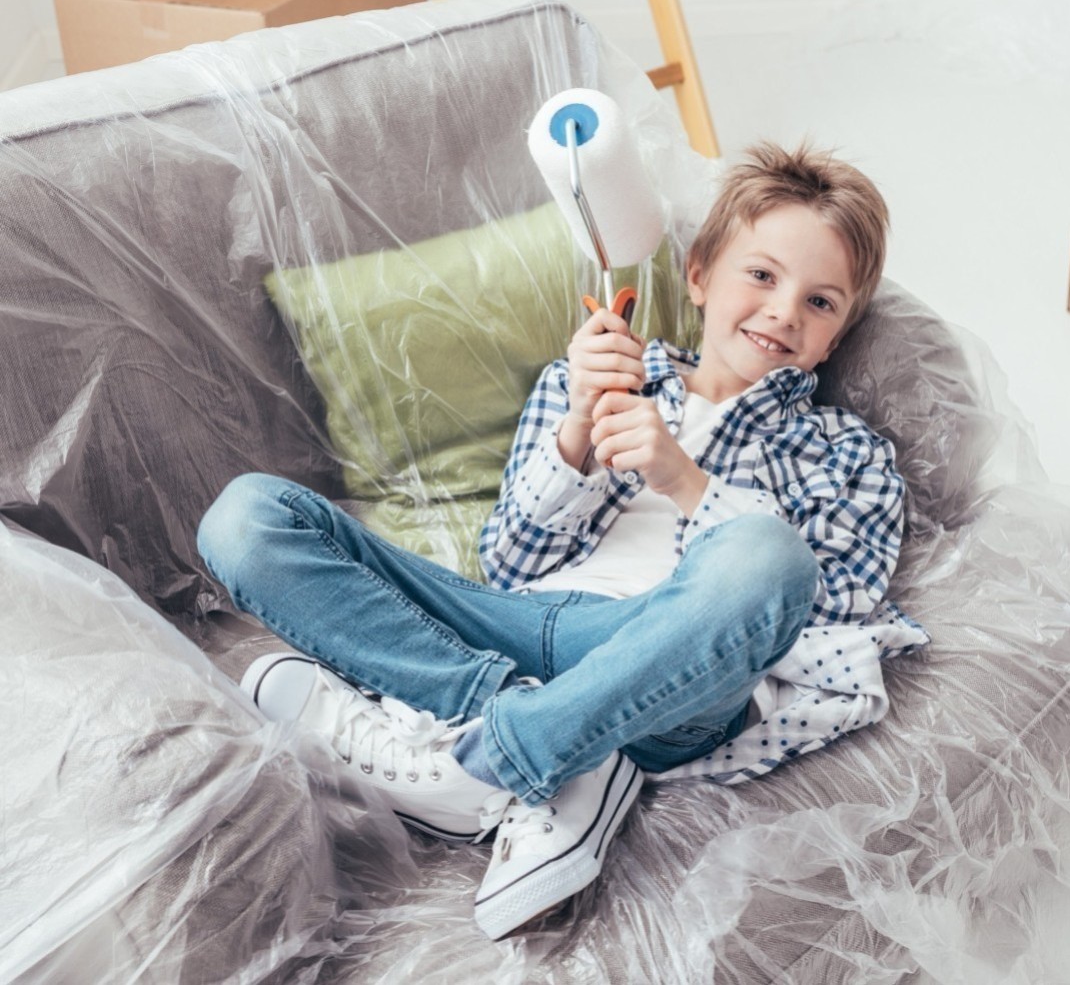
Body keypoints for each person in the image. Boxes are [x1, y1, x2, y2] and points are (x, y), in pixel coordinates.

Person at [196, 140, 903, 941]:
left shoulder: (851, 453)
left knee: (767, 555)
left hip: (662, 666)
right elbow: (509, 562)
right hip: (516, 623)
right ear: (699, 276)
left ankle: (484, 765)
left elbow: (825, 606)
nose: (783, 311)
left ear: (839, 334)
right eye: (763, 276)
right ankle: (553, 738)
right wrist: (574, 431)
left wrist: (687, 484)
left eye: (821, 302)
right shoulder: (599, 376)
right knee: (246, 518)